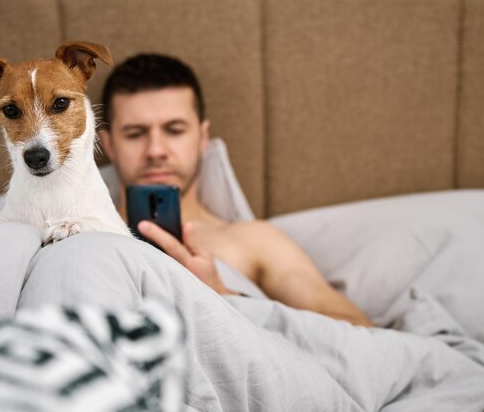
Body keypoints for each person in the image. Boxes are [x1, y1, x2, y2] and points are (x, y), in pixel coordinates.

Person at [98, 54, 372, 327]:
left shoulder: (254, 241)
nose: (156, 151)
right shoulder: (81, 238)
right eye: (135, 134)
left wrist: (226, 299)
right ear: (108, 145)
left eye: (174, 130)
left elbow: (359, 333)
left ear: (203, 137)